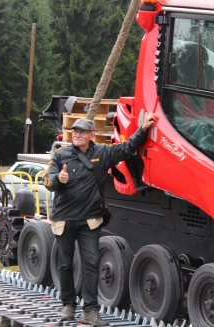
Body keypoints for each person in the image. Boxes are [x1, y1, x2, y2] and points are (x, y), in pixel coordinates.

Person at [43, 113, 157, 325]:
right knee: (66, 265)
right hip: (64, 219)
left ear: (91, 135)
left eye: (82, 132)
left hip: (89, 221)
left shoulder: (102, 153)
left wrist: (142, 129)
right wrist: (59, 179)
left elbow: (126, 148)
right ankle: (67, 305)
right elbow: (47, 180)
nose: (77, 135)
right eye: (75, 131)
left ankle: (90, 311)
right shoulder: (61, 155)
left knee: (92, 264)